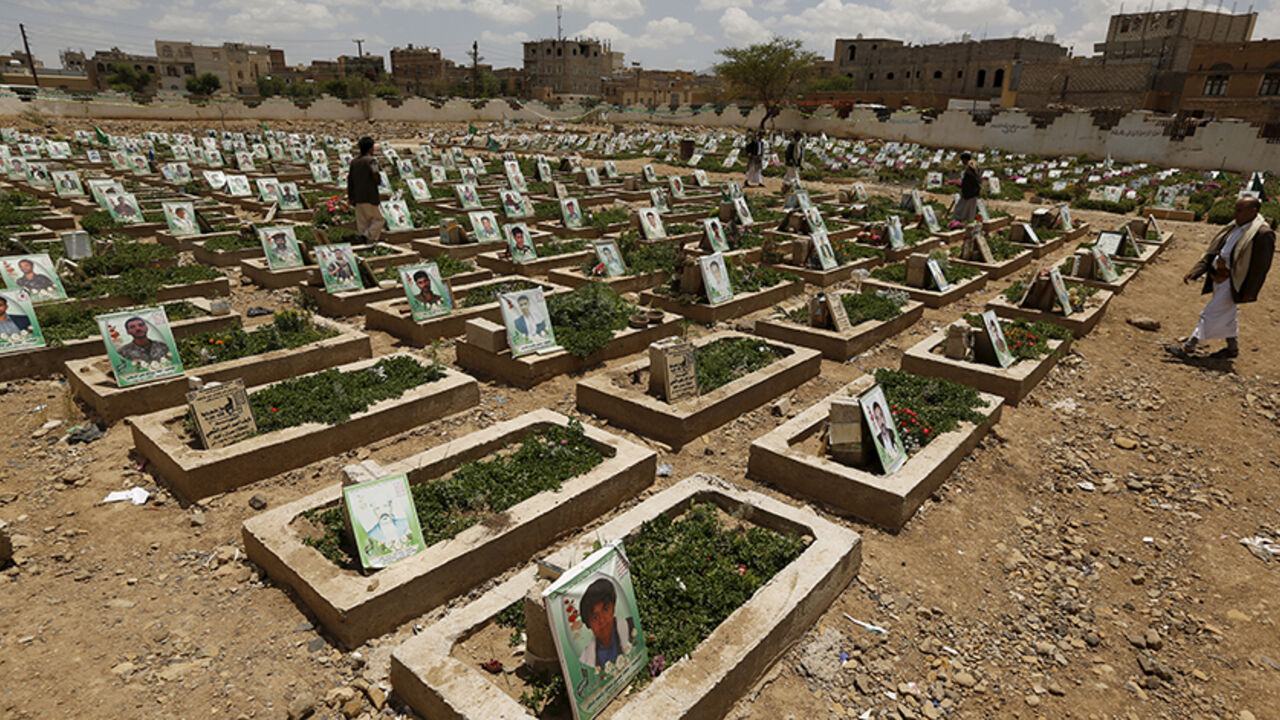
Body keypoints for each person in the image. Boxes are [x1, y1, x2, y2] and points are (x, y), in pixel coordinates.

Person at [1167, 197, 1275, 359]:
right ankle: (1232, 348)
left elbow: (1260, 268)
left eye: (1239, 210)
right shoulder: (1234, 227)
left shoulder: (1262, 233)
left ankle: (1188, 348)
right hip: (1219, 277)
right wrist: (1197, 270)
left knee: (1209, 314)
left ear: (1253, 211)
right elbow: (1215, 251)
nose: (1235, 213)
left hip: (1235, 282)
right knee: (1228, 315)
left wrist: (1249, 291)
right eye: (1235, 209)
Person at [576, 578, 633, 670]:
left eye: (606, 609)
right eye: (595, 617)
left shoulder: (631, 627)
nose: (602, 620)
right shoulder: (586, 659)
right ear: (589, 624)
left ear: (613, 608)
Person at [348, 136, 385, 243]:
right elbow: (375, 174)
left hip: (358, 196)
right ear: (370, 148)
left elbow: (350, 180)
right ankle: (366, 236)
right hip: (370, 195)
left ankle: (364, 242)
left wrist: (351, 196)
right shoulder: (372, 161)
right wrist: (378, 181)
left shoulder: (354, 162)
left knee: (363, 222)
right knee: (380, 219)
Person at [954, 152, 981, 222]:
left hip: (969, 190)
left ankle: (960, 218)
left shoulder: (970, 167)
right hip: (974, 190)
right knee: (971, 207)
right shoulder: (974, 166)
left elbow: (971, 180)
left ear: (965, 159)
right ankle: (969, 218)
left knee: (963, 206)